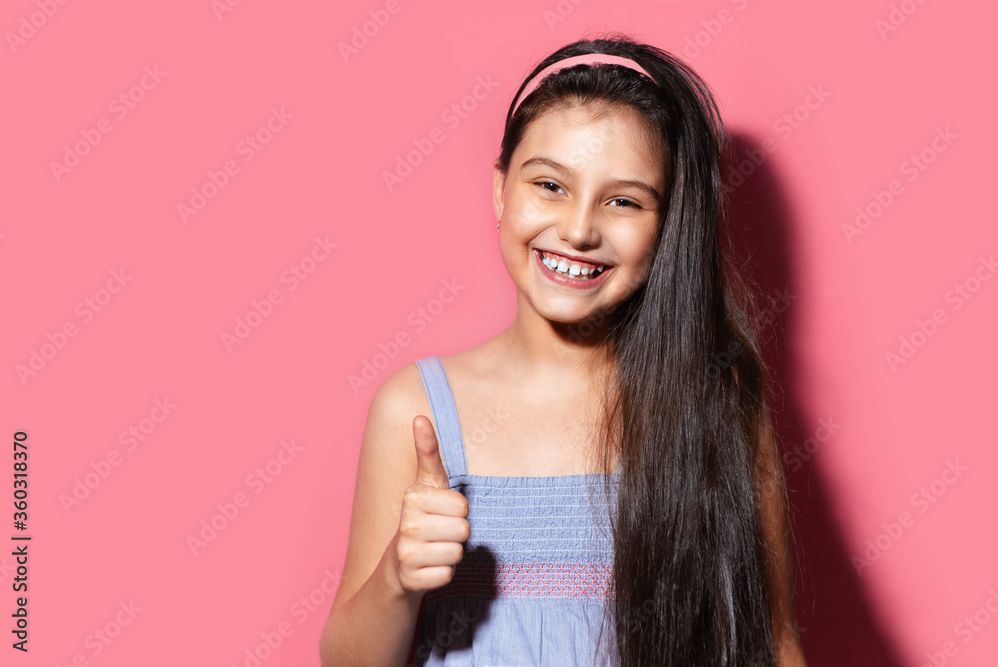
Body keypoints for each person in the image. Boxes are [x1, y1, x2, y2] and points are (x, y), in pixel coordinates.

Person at [320, 33, 807, 666]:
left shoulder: (719, 403)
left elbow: (772, 641)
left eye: (624, 201)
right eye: (549, 186)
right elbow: (347, 660)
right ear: (502, 191)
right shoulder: (418, 409)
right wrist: (397, 577)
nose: (578, 229)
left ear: (667, 226)